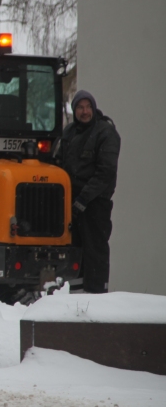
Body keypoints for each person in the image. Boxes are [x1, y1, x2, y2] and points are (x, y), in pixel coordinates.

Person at [60, 90, 121, 293]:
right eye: (80, 107)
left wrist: (83, 199)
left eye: (87, 107)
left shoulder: (105, 132)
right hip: (73, 202)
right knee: (74, 250)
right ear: (74, 109)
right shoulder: (69, 132)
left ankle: (96, 297)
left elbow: (105, 173)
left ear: (93, 108)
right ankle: (77, 297)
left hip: (96, 203)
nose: (84, 111)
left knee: (95, 250)